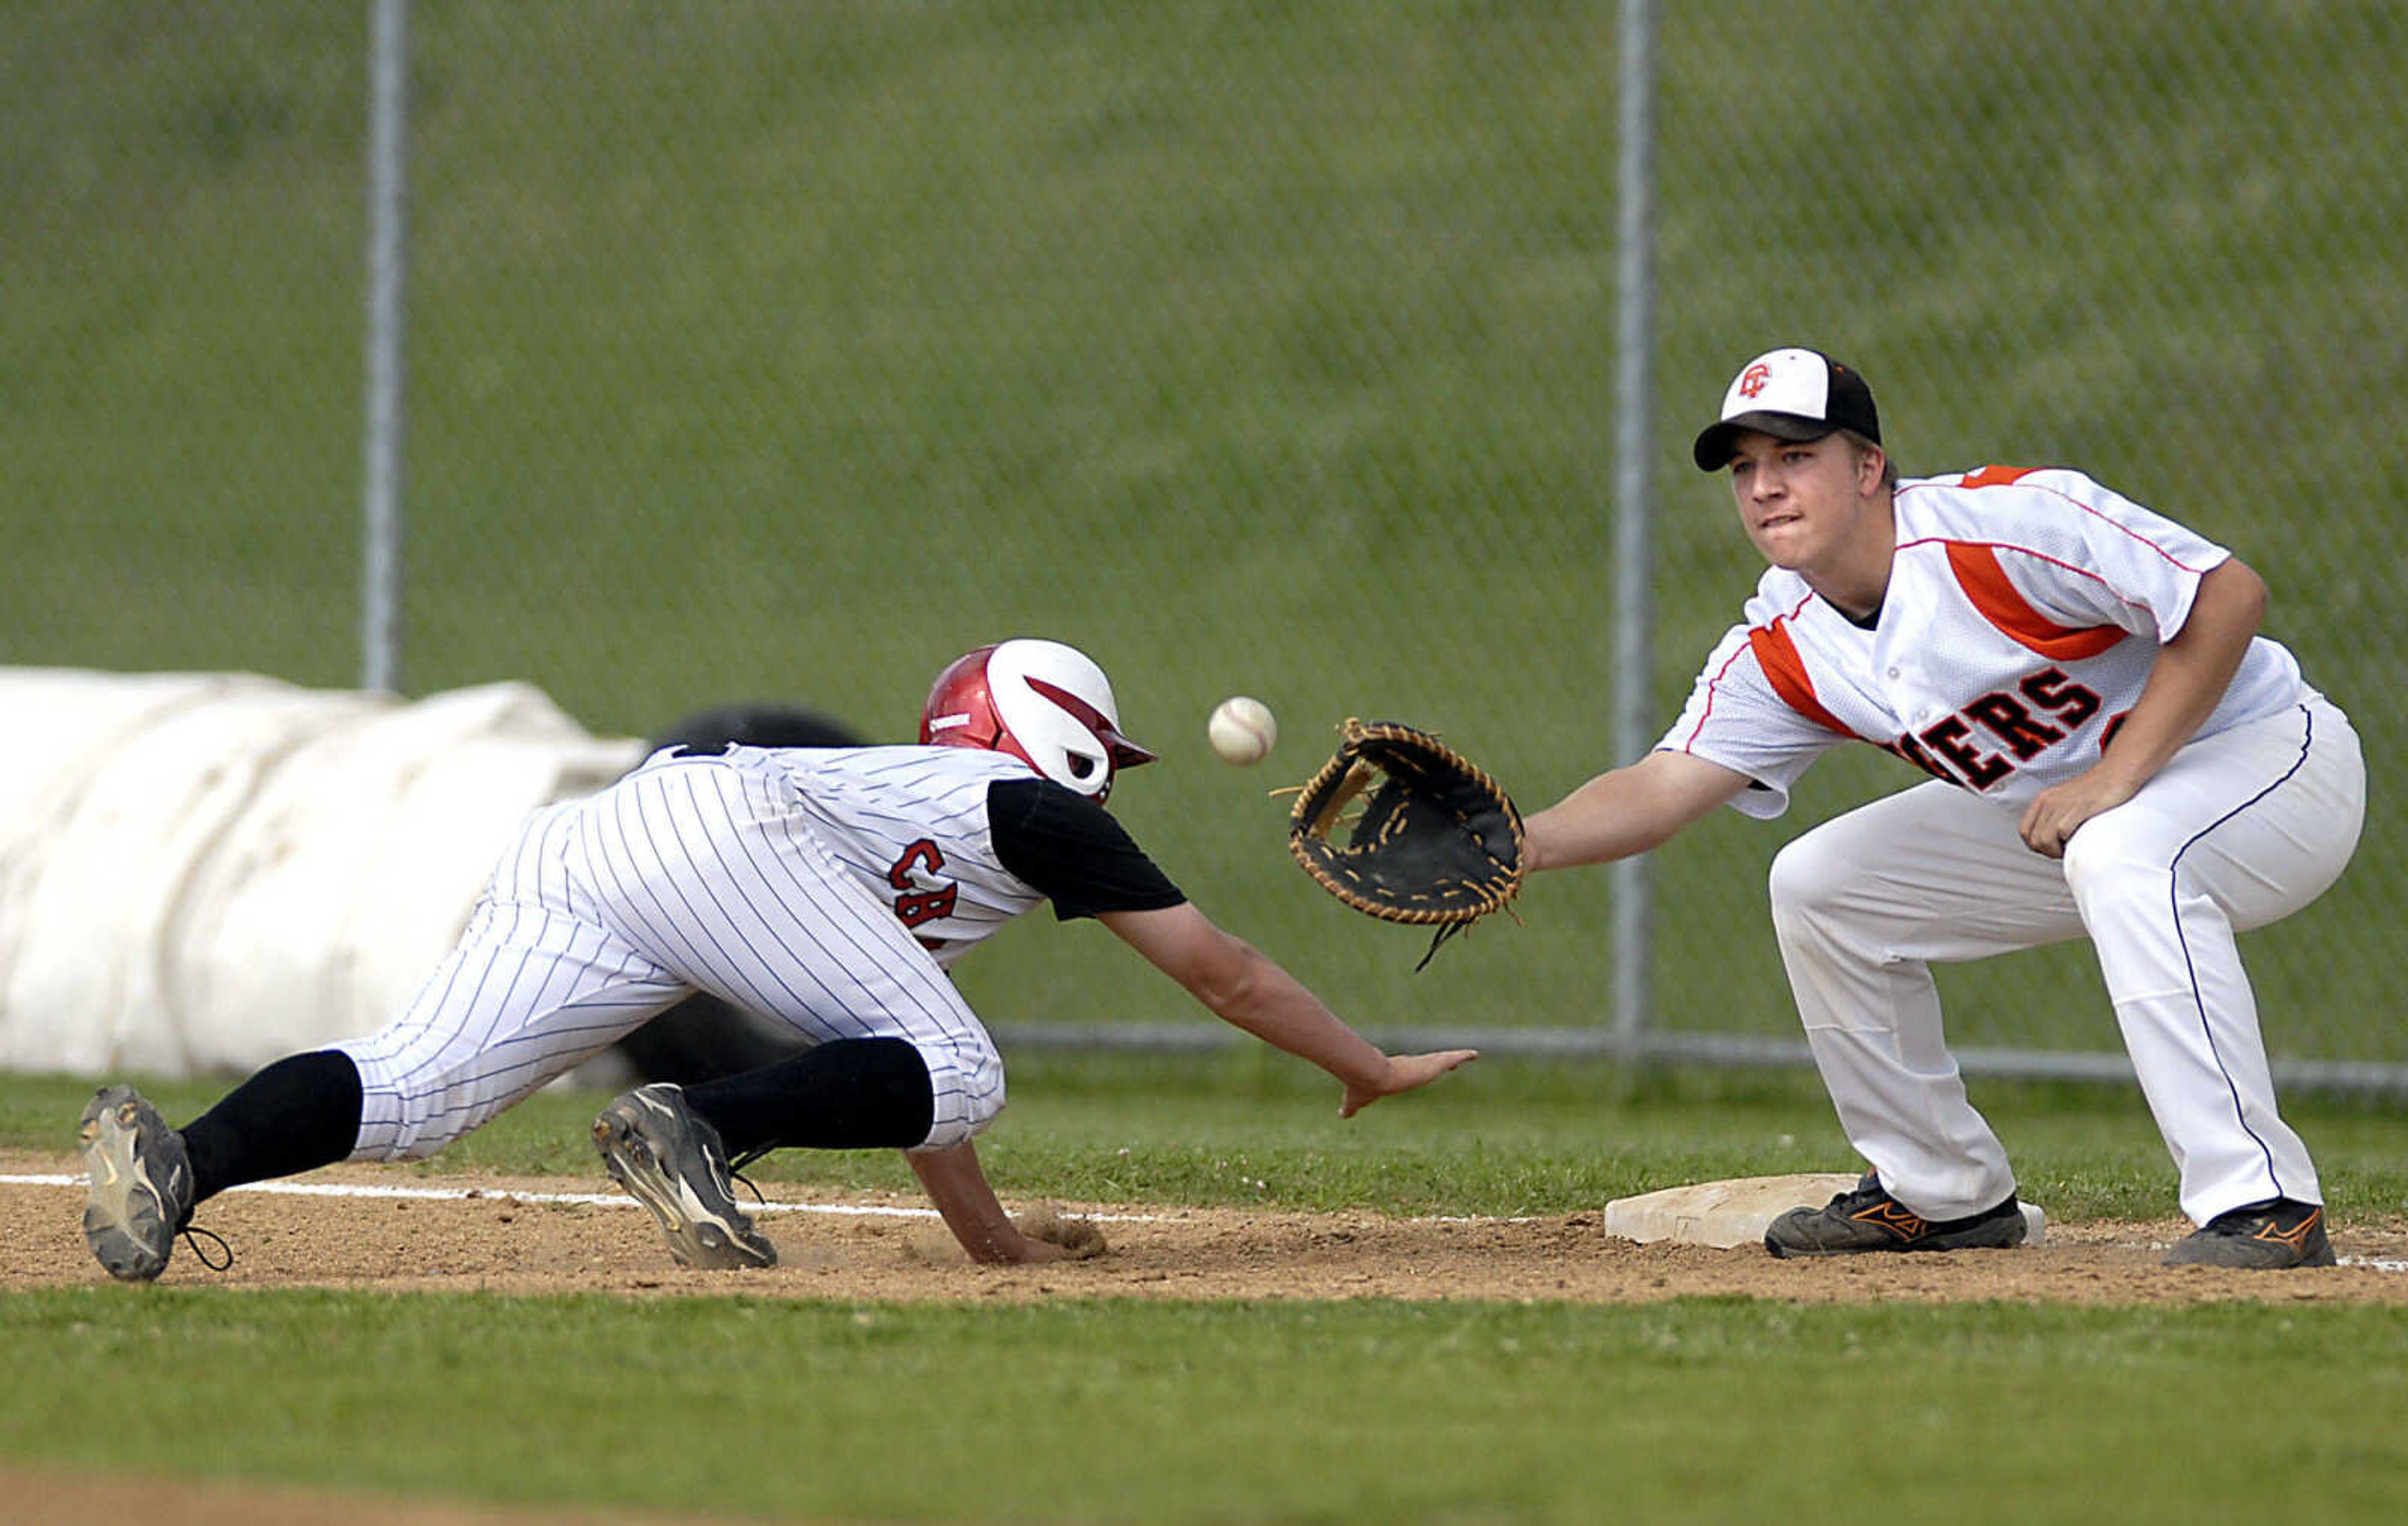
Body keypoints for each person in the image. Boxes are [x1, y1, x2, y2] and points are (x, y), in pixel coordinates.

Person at [78, 639, 1477, 1280]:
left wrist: (993, 1243)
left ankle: (180, 1161)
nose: (1102, 786)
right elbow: (1222, 971)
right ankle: (694, 1125)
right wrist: (1367, 1062)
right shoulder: (1035, 813)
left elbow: (906, 1055)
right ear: (1055, 744)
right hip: (717, 828)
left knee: (417, 1087)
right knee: (956, 1062)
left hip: (592, 839)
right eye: (1099, 760)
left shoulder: (931, 827)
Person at [1521, 347, 2363, 1269]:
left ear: (1870, 467)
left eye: (1796, 457)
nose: (1765, 487)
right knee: (1821, 885)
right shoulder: (1786, 639)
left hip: (2271, 762)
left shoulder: (2001, 528)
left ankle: (2262, 1200)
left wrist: (2115, 775)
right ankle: (1940, 1190)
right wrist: (1516, 844)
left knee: (2121, 849)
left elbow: (2225, 594)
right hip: (2073, 820)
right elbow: (1662, 784)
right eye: (1745, 468)